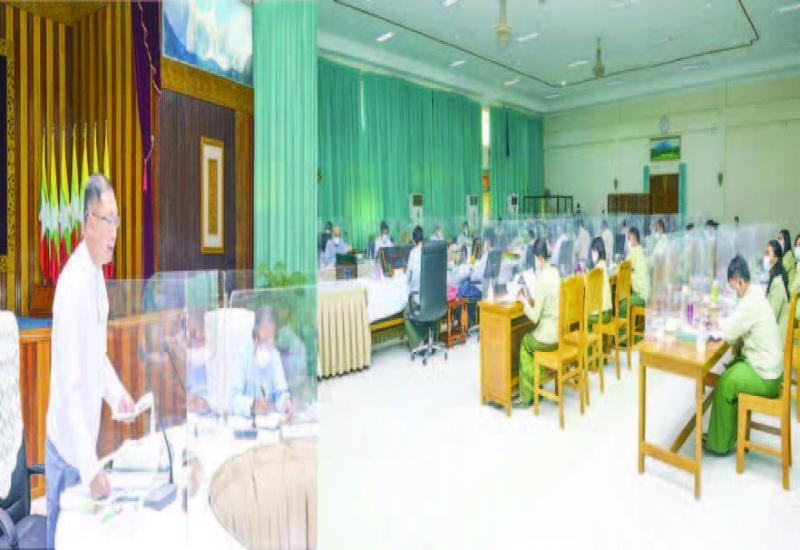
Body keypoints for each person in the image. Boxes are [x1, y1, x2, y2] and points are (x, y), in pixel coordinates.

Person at [45, 175, 135, 549]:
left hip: (82, 447)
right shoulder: (73, 287)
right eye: (108, 220)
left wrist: (118, 396)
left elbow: (95, 358)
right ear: (89, 222)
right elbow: (69, 389)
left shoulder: (96, 276)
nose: (114, 231)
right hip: (69, 454)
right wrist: (90, 467)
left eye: (117, 220)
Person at [704, 256, 782, 456]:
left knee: (726, 382)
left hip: (766, 377)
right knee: (732, 369)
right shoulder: (754, 294)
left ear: (739, 281)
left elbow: (729, 335)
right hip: (769, 368)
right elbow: (737, 323)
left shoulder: (750, 302)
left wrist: (715, 325)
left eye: (734, 287)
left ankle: (719, 444)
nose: (735, 292)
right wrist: (724, 323)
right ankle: (725, 435)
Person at [515, 238, 560, 407]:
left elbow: (534, 317)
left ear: (539, 257)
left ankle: (527, 396)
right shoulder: (555, 272)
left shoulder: (541, 278)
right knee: (530, 337)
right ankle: (536, 384)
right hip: (558, 334)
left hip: (547, 338)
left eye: (535, 257)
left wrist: (523, 300)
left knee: (525, 343)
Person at [229, 306, 292, 418]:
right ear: (256, 328)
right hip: (246, 421)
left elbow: (281, 391)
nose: (268, 332)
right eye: (264, 326)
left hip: (270, 420)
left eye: (271, 326)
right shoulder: (243, 355)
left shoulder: (274, 355)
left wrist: (285, 402)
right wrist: (252, 404)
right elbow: (232, 399)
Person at [404, 226, 438, 349]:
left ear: (414, 241)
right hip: (434, 300)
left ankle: (418, 342)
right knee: (431, 311)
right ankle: (433, 339)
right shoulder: (432, 251)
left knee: (406, 314)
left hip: (419, 300)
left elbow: (408, 277)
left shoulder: (413, 253)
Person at [620, 227, 649, 319]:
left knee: (622, 305)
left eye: (629, 238)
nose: (628, 241)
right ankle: (630, 325)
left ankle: (624, 329)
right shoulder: (640, 249)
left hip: (641, 296)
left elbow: (623, 267)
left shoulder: (633, 252)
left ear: (633, 238)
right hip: (646, 293)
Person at [764, 240, 790, 339]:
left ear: (776, 258)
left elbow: (771, 317)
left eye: (768, 254)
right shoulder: (776, 278)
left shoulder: (778, 283)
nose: (765, 257)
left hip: (777, 340)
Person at [588, 237, 612, 330]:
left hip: (603, 314)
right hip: (608, 311)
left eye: (594, 251)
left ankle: (591, 339)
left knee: (585, 318)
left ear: (599, 251)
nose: (592, 254)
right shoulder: (603, 264)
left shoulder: (598, 269)